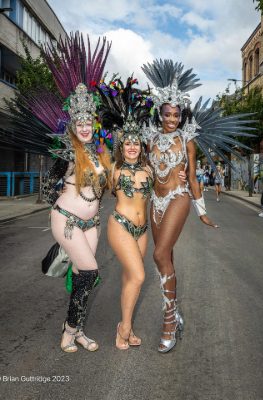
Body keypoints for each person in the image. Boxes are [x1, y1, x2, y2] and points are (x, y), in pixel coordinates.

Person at [142, 58, 254, 353]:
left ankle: (168, 322)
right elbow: (144, 169)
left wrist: (202, 210)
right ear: (160, 113)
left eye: (177, 115)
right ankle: (175, 309)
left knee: (159, 253)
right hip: (155, 201)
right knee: (167, 259)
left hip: (178, 197)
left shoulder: (187, 139)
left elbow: (191, 178)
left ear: (181, 115)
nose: (172, 119)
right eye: (167, 114)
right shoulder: (149, 139)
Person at [41, 34, 112, 352]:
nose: (85, 127)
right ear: (72, 123)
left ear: (94, 123)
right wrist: (58, 197)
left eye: (89, 122)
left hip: (91, 222)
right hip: (68, 220)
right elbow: (46, 185)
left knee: (85, 276)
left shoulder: (101, 152)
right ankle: (69, 332)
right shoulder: (67, 150)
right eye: (79, 122)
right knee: (90, 270)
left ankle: (78, 328)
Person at [98, 78, 153, 349]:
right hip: (120, 225)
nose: (132, 147)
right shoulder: (112, 170)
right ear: (122, 145)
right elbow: (87, 180)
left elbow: (167, 187)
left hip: (142, 231)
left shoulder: (150, 170)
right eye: (128, 143)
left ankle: (125, 323)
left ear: (141, 146)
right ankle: (124, 329)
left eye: (136, 143)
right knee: (140, 275)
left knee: (132, 279)